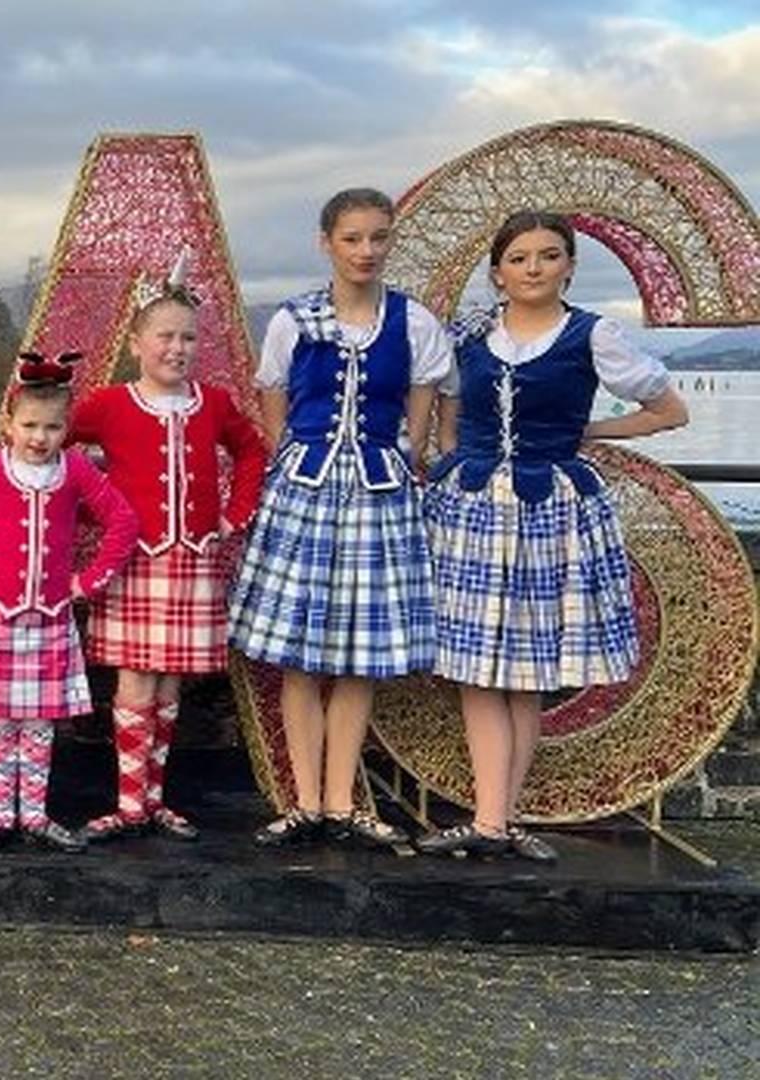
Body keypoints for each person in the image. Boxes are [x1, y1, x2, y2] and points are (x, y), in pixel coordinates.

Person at [416, 211, 688, 862]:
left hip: (548, 515)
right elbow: (447, 419)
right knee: (477, 670)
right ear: (497, 271)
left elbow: (669, 409)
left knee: (525, 673)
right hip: (473, 513)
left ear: (569, 265)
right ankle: (492, 821)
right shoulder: (472, 337)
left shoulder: (593, 336)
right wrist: (453, 462)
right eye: (519, 258)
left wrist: (591, 434)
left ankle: (495, 820)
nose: (533, 268)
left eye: (547, 255)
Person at [227, 188, 453, 848]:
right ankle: (303, 800)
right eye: (353, 238)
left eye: (378, 237)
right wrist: (286, 451)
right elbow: (271, 388)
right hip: (306, 491)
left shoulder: (412, 323)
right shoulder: (294, 320)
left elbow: (426, 392)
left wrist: (406, 446)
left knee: (359, 657)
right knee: (299, 654)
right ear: (326, 242)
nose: (366, 251)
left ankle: (340, 799)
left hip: (380, 493)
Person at [68, 259, 267, 843]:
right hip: (135, 558)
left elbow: (252, 452)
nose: (177, 348)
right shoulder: (109, 404)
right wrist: (91, 510)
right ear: (136, 344)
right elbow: (50, 443)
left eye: (188, 337)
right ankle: (130, 803)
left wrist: (236, 513)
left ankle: (155, 801)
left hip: (193, 558)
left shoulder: (214, 402)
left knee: (169, 684)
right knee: (134, 680)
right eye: (165, 336)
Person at [0, 352, 138, 853]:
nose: (40, 438)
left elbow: (122, 522)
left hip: (50, 618)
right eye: (30, 425)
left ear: (67, 429)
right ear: (10, 423)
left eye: (53, 427)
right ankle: (1, 816)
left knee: (38, 724)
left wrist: (89, 581)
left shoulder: (76, 469)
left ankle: (34, 815)